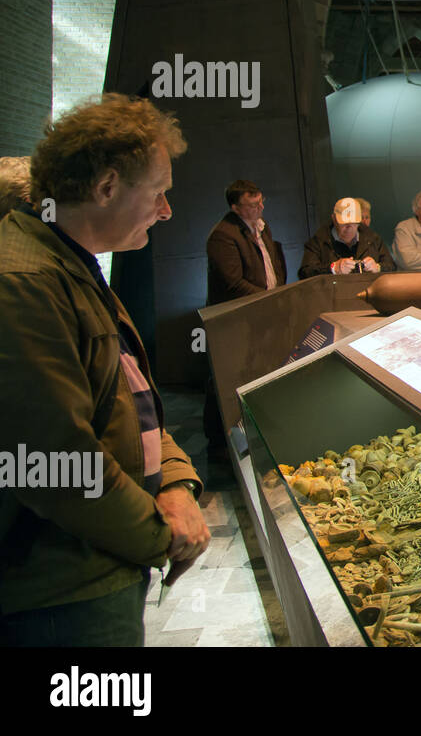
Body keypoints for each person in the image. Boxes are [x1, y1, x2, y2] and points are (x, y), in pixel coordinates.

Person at [0, 94, 210, 646]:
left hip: (96, 567)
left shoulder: (68, 263)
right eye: (158, 192)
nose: (166, 210)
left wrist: (175, 483)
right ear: (107, 187)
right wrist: (159, 535)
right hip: (62, 593)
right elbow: (49, 462)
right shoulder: (23, 282)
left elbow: (131, 400)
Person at [205, 179, 287, 305]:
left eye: (261, 200)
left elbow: (273, 263)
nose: (261, 207)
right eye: (254, 205)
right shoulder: (222, 236)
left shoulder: (262, 226)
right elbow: (234, 284)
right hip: (242, 309)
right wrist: (267, 298)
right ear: (236, 208)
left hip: (266, 303)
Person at [299, 196, 395, 278]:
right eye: (344, 223)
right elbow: (305, 272)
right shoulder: (319, 241)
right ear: (334, 219)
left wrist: (377, 267)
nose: (349, 227)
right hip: (332, 293)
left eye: (353, 222)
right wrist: (333, 268)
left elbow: (392, 266)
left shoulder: (373, 238)